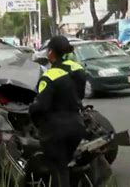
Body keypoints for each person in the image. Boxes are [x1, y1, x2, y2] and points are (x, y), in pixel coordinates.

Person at [29, 36, 86, 187]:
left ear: (50, 52)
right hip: (77, 124)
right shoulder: (77, 69)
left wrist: (35, 119)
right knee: (64, 165)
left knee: (58, 168)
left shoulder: (50, 75)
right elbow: (80, 95)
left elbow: (40, 106)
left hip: (56, 130)